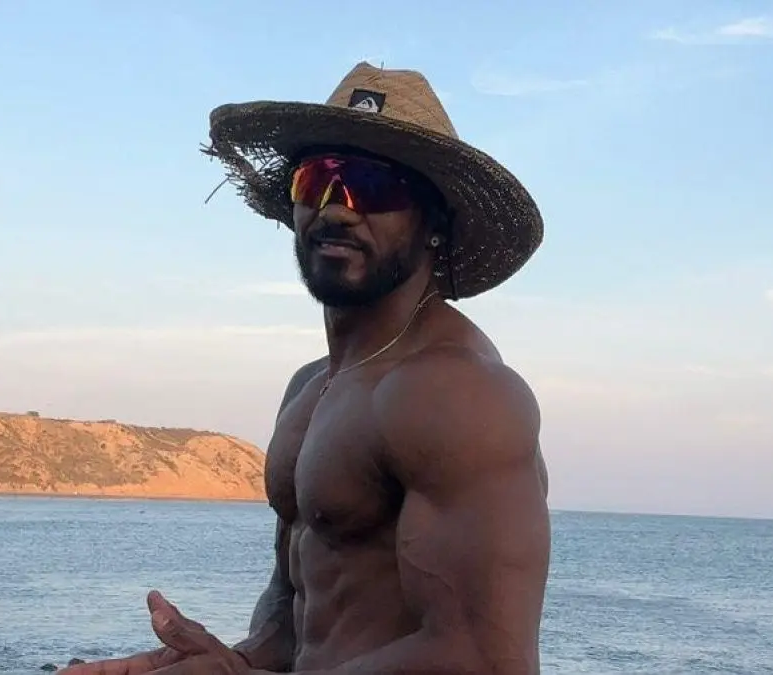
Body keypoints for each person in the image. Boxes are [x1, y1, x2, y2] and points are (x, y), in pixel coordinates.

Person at [63, 61, 551, 675]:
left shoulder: (457, 393)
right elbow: (296, 617)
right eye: (316, 180)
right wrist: (228, 662)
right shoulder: (311, 387)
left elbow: (488, 659)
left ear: (434, 223)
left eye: (373, 186)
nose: (337, 210)